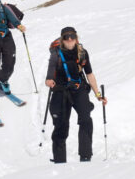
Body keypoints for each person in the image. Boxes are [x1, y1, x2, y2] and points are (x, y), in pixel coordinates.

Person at [45, 26, 106, 163]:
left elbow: (89, 74)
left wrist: (97, 94)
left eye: (72, 36)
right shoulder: (56, 53)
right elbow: (51, 68)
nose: (70, 40)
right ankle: (59, 161)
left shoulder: (82, 53)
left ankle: (85, 157)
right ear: (62, 40)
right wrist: (49, 80)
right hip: (61, 91)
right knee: (61, 126)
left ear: (76, 38)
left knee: (85, 119)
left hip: (79, 90)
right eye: (66, 37)